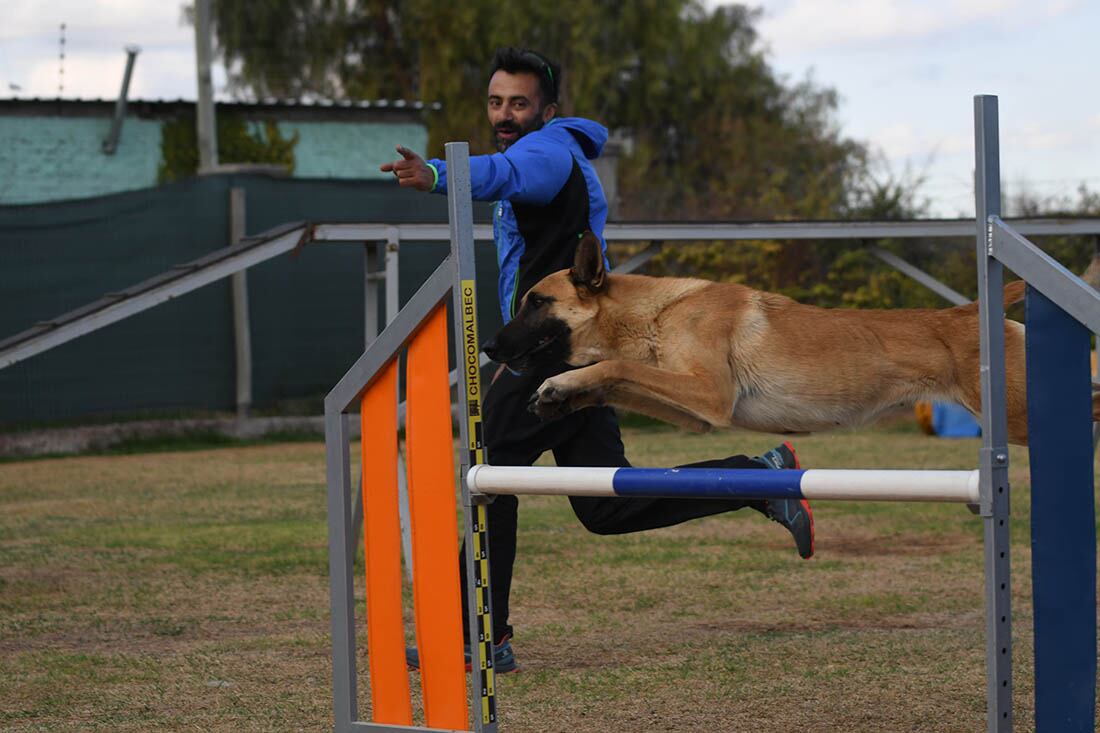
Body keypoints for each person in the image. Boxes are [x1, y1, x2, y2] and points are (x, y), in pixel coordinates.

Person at [382, 47, 814, 674]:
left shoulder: (549, 151)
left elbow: (508, 174)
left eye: (519, 103)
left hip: (552, 355)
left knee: (491, 479)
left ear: (548, 110)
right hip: (575, 355)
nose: (505, 114)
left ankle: (483, 637)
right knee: (605, 507)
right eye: (497, 102)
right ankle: (761, 475)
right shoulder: (544, 152)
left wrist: (441, 176)